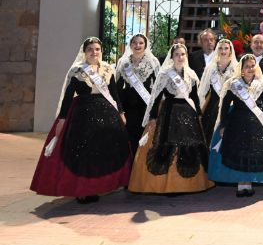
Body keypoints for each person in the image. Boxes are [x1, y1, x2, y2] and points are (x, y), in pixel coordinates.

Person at [31, 37, 131, 203]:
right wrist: (62, 118)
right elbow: (68, 97)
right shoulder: (77, 70)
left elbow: (114, 93)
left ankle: (96, 189)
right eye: (90, 49)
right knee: (83, 153)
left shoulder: (107, 69)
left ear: (101, 51)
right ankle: (82, 190)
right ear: (84, 53)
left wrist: (121, 112)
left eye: (97, 49)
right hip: (82, 116)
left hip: (106, 114)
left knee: (101, 152)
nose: (94, 52)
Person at [128, 43, 213, 194]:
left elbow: (193, 96)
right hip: (170, 112)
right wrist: (153, 117)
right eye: (177, 55)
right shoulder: (165, 73)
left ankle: (191, 185)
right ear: (172, 57)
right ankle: (169, 186)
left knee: (191, 145)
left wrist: (198, 114)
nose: (180, 57)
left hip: (188, 113)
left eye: (183, 54)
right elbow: (157, 96)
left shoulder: (191, 74)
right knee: (168, 144)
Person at [207, 54, 263, 196]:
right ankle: (240, 184)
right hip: (237, 123)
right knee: (239, 153)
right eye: (247, 66)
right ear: (241, 69)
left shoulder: (261, 84)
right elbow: (225, 106)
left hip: (256, 124)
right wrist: (223, 125)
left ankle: (249, 183)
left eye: (252, 66)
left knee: (252, 153)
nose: (250, 69)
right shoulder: (233, 84)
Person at [115, 33, 161, 154]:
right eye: (134, 42)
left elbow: (158, 87)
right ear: (130, 45)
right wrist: (119, 110)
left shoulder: (153, 62)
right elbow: (117, 88)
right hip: (128, 105)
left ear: (145, 45)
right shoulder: (123, 62)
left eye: (141, 43)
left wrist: (155, 111)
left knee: (144, 139)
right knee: (129, 138)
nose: (137, 45)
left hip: (145, 106)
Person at [197, 39, 237, 146]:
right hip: (212, 107)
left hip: (231, 107)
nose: (223, 51)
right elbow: (202, 90)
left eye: (226, 48)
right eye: (220, 48)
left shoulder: (237, 68)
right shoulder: (210, 68)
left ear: (230, 51)